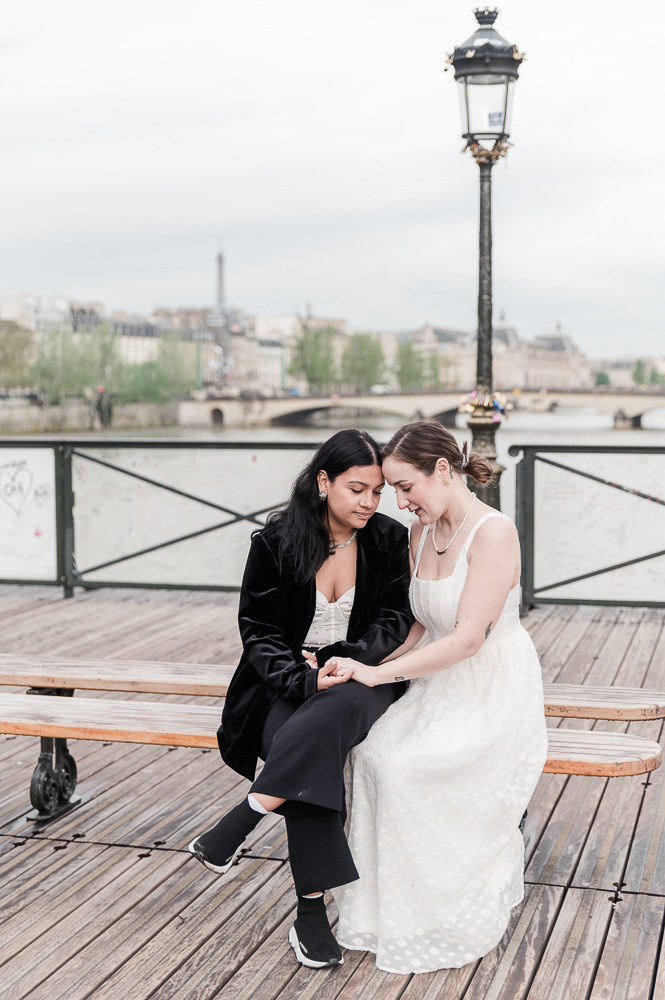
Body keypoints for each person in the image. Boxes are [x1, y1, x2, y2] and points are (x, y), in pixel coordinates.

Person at [188, 428, 414, 968]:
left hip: (364, 676)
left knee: (321, 725)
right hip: (280, 683)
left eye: (378, 491)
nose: (370, 502)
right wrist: (304, 679)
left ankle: (245, 817)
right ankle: (311, 916)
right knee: (303, 744)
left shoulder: (388, 540)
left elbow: (396, 619)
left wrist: (346, 659)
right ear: (323, 481)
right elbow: (258, 631)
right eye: (357, 488)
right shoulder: (275, 543)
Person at [328, 421, 548, 974]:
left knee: (407, 767)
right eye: (393, 490)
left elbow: (468, 637)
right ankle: (394, 907)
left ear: (443, 470)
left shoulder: (493, 533)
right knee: (373, 752)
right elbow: (422, 626)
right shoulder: (419, 534)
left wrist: (379, 679)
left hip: (489, 686)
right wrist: (366, 663)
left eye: (405, 486)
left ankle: (444, 906)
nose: (399, 502)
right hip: (438, 682)